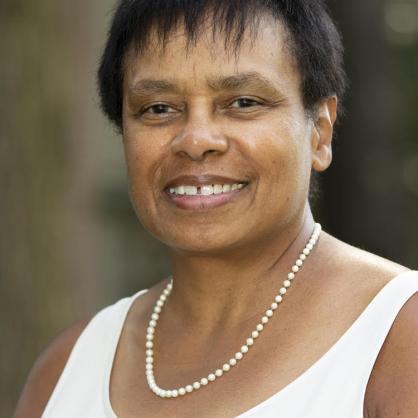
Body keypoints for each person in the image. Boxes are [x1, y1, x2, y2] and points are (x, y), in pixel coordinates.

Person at [14, 1, 418, 417]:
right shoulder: (68, 369)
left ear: (319, 131)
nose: (196, 139)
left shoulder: (399, 339)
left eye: (243, 102)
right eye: (158, 108)